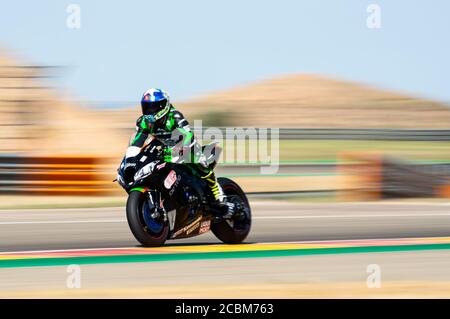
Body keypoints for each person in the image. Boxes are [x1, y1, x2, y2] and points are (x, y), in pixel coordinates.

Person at [125, 88, 234, 218]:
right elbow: (137, 141)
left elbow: (187, 136)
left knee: (199, 161)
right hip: (162, 151)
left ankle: (216, 189)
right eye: (147, 107)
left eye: (153, 107)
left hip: (185, 147)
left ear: (163, 105)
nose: (150, 111)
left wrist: (174, 150)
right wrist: (130, 158)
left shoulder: (174, 116)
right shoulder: (144, 122)